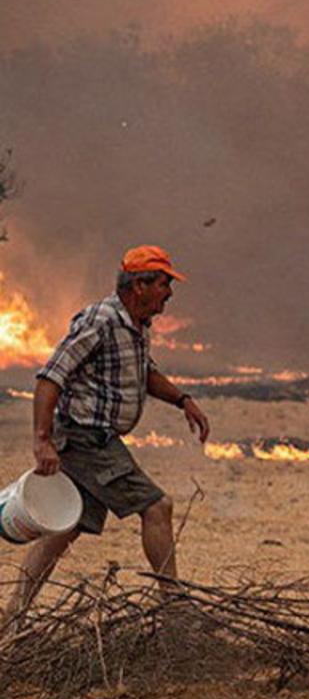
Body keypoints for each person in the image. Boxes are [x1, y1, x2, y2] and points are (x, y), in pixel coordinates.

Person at [10, 246, 210, 617]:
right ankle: (177, 611)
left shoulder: (137, 326)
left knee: (64, 528)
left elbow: (144, 373)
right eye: (164, 283)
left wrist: (183, 400)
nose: (170, 293)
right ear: (140, 285)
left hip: (95, 438)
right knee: (157, 506)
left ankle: (12, 614)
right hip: (88, 438)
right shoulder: (100, 320)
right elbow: (51, 377)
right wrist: (42, 441)